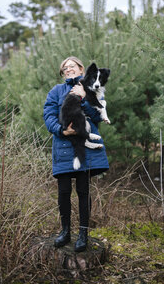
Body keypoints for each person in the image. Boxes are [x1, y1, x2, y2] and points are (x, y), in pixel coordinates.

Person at [43, 56, 109, 252]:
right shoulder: (56, 91)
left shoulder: (93, 88)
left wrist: (83, 95)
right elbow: (48, 115)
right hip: (63, 147)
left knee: (83, 191)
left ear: (81, 68)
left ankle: (83, 234)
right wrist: (61, 130)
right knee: (63, 192)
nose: (68, 69)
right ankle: (65, 231)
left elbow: (98, 116)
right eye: (65, 68)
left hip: (86, 147)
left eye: (72, 66)